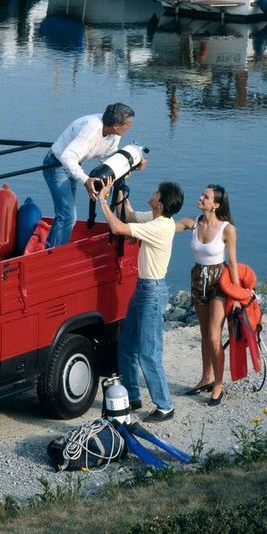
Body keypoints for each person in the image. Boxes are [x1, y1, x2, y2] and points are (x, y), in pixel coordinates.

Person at [97, 179, 184, 423]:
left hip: (152, 293)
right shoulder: (157, 219)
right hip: (143, 288)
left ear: (160, 202)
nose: (153, 192)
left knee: (149, 352)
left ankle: (165, 405)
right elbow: (129, 215)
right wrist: (119, 189)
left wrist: (100, 199)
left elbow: (118, 227)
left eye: (156, 192)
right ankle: (133, 396)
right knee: (127, 345)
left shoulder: (161, 227)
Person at [43, 102, 147, 247]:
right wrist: (86, 180)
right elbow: (67, 156)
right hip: (57, 165)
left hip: (73, 166)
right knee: (67, 216)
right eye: (128, 123)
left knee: (67, 216)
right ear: (116, 125)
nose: (130, 126)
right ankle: (51, 254)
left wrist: (132, 165)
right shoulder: (91, 130)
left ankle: (55, 248)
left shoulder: (114, 134)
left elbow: (107, 156)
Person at [176, 185, 238, 407]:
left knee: (213, 336)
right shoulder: (193, 222)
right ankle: (206, 377)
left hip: (218, 282)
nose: (201, 198)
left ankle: (219, 383)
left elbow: (232, 262)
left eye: (206, 196)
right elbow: (165, 227)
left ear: (216, 205)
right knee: (204, 334)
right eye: (202, 194)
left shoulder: (227, 229)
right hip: (197, 279)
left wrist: (238, 294)